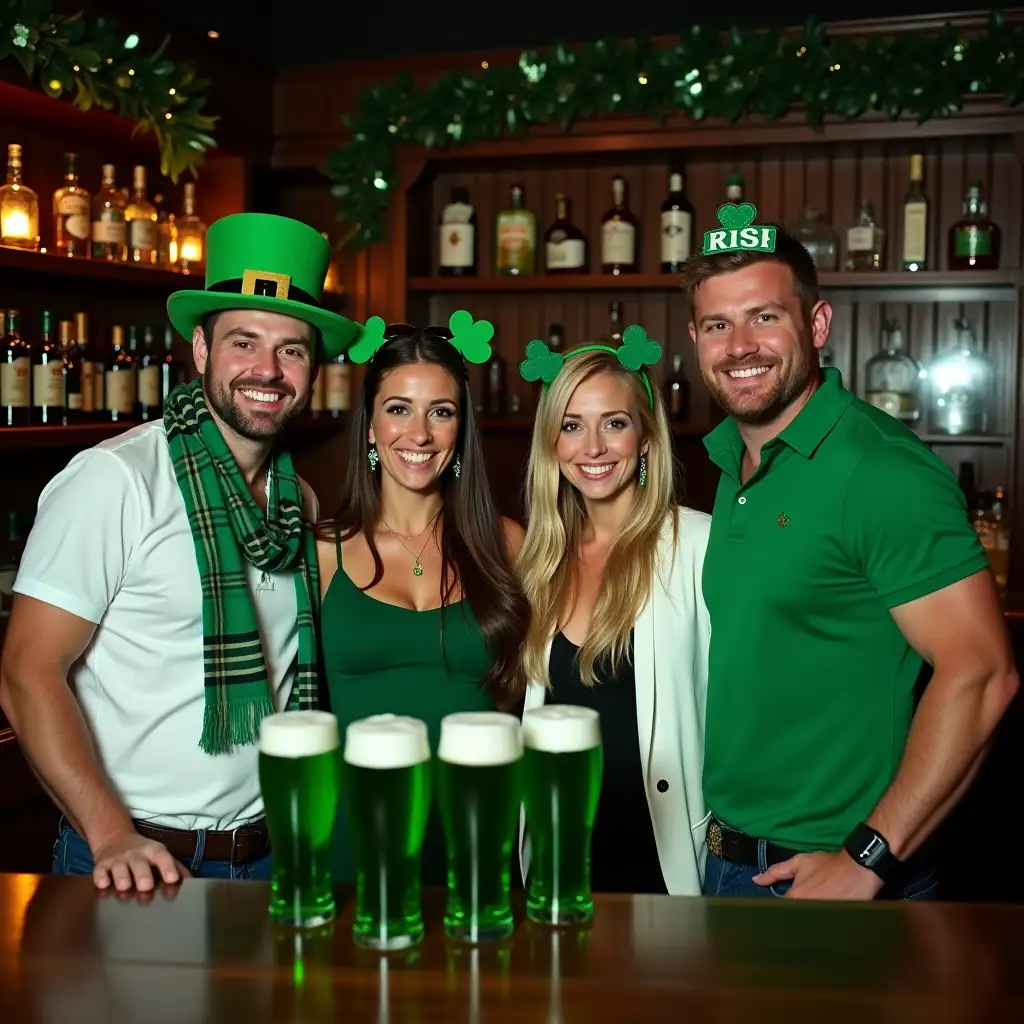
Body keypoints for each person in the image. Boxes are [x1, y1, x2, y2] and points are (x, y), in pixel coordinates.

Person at [0, 213, 359, 891]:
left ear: (312, 367)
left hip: (269, 855)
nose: (267, 370)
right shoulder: (117, 480)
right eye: (243, 342)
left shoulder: (297, 502)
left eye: (292, 350)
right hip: (135, 857)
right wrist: (110, 836)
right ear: (200, 349)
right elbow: (26, 671)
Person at [682, 207, 1019, 900]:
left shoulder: (879, 471)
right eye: (718, 325)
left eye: (764, 317)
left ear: (817, 325)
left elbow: (983, 674)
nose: (740, 345)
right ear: (695, 340)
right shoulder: (729, 461)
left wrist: (868, 857)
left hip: (829, 873)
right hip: (726, 858)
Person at [316, 311, 530, 886]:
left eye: (441, 412)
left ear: (461, 429)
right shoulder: (324, 552)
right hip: (355, 839)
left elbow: (529, 687)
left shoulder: (507, 544)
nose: (419, 434)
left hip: (480, 837)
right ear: (369, 426)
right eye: (398, 409)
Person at [515, 328, 712, 895]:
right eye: (572, 426)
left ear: (647, 440)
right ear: (552, 444)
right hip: (556, 865)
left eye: (615, 423)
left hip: (663, 863)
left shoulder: (699, 545)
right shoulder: (538, 560)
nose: (593, 447)